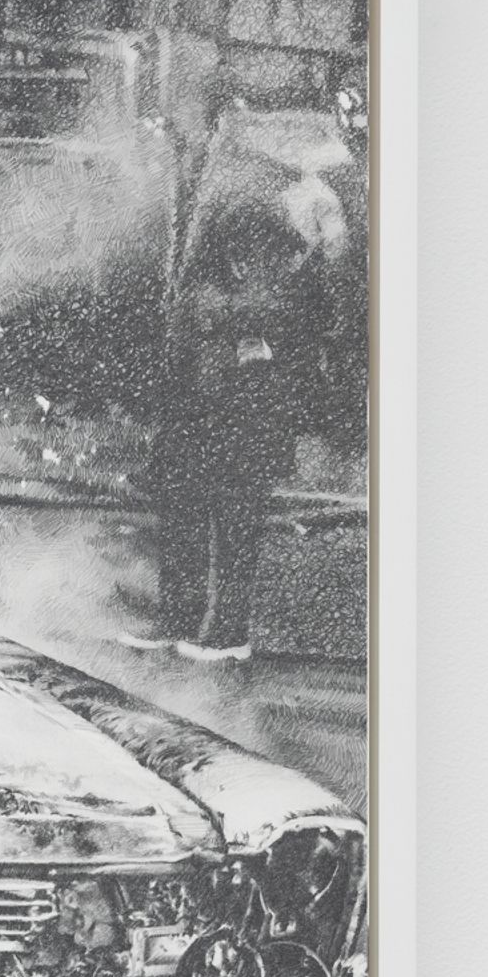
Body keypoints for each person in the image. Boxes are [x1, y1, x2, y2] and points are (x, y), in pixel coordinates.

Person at [122, 203, 331, 665]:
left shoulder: (287, 292)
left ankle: (230, 633)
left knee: (237, 531)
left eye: (252, 249)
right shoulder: (203, 291)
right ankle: (177, 619)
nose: (243, 258)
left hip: (248, 429)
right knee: (185, 525)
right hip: (197, 425)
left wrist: (268, 352)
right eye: (235, 249)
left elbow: (306, 360)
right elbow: (179, 362)